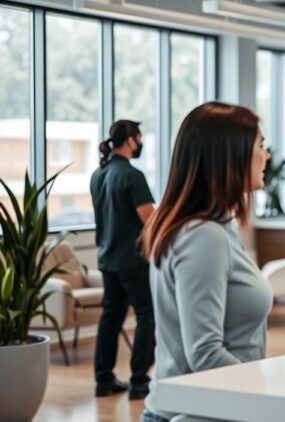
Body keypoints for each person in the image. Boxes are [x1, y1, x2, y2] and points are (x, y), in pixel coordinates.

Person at [139, 102, 273, 422]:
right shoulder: (203, 237)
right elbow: (205, 353)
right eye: (261, 146)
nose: (266, 156)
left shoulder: (216, 227)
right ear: (230, 156)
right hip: (191, 413)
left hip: (210, 408)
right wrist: (271, 394)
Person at [90, 120, 156, 400]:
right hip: (132, 260)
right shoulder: (132, 175)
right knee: (147, 315)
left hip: (106, 259)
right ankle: (139, 381)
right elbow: (149, 219)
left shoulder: (98, 174)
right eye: (139, 138)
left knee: (111, 318)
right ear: (130, 140)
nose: (140, 143)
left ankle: (103, 381)